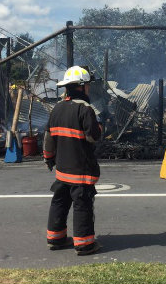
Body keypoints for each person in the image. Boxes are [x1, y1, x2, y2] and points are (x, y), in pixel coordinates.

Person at [43, 66, 102, 256]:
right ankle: (84, 244)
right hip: (81, 170)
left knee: (59, 201)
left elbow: (48, 138)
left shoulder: (57, 109)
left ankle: (56, 238)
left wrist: (48, 158)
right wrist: (101, 126)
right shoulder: (85, 109)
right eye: (88, 86)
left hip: (62, 170)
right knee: (82, 203)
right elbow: (93, 137)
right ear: (82, 86)